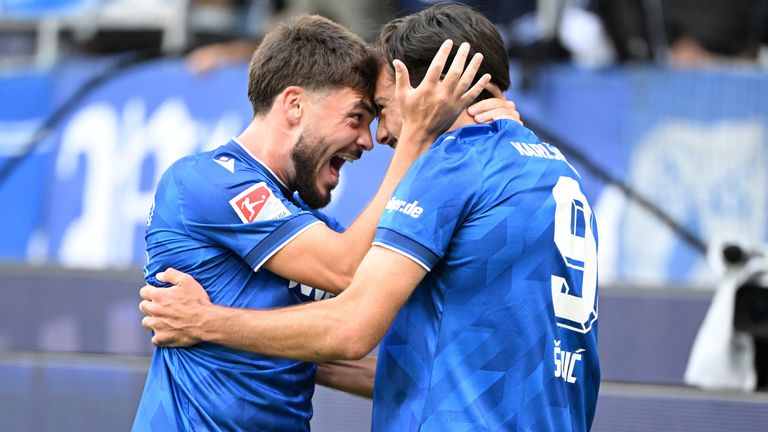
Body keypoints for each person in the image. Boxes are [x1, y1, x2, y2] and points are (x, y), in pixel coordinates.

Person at [141, 4, 599, 431]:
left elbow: (349, 316)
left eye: (377, 111)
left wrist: (206, 323)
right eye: (359, 116)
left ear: (430, 95)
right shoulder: (204, 179)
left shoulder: (455, 165)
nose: (372, 137)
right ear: (295, 104)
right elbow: (353, 295)